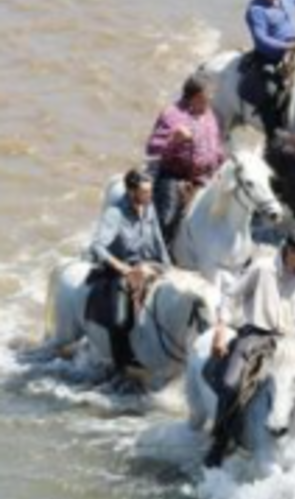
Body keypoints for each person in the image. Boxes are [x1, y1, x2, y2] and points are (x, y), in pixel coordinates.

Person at [204, 225, 295, 468]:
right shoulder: (262, 268)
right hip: (256, 336)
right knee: (231, 384)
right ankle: (221, 442)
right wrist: (221, 328)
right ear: (291, 251)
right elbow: (231, 295)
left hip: (291, 341)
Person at [89, 169, 172, 373]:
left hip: (150, 264)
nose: (150, 195)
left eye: (150, 191)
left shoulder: (149, 207)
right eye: (145, 192)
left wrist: (170, 268)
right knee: (120, 320)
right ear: (131, 191)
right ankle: (121, 365)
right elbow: (97, 246)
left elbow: (158, 241)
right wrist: (122, 268)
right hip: (121, 269)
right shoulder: (115, 213)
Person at [145, 73, 225, 244]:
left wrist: (221, 166)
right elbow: (152, 149)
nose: (212, 98)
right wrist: (175, 140)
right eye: (208, 95)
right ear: (196, 96)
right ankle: (154, 250)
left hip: (204, 178)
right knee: (167, 219)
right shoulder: (172, 115)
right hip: (175, 176)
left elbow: (216, 146)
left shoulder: (209, 115)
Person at [244, 0, 295, 138]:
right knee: (270, 90)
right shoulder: (255, 10)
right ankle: (274, 135)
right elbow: (262, 40)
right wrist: (287, 46)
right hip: (271, 57)